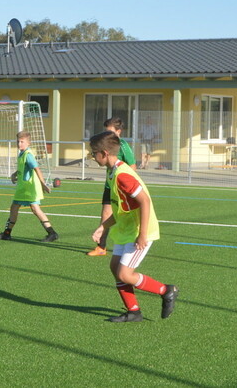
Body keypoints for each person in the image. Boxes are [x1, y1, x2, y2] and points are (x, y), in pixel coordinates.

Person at [88, 130, 179, 322]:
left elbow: (144, 201)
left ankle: (166, 290)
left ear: (104, 153)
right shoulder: (112, 171)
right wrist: (104, 226)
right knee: (115, 268)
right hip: (127, 228)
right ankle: (134, 311)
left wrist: (142, 235)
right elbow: (121, 208)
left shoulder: (122, 175)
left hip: (139, 230)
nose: (92, 157)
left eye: (93, 153)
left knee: (124, 273)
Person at [0, 131, 58, 242]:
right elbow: (23, 168)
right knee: (15, 207)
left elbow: (37, 169)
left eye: (22, 142)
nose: (19, 144)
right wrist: (15, 174)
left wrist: (43, 184)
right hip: (23, 188)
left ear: (28, 143)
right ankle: (6, 234)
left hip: (29, 188)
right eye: (18, 141)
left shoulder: (28, 155)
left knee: (35, 209)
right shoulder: (22, 154)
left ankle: (52, 233)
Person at [88, 117, 138, 257]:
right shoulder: (106, 145)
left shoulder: (123, 145)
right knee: (105, 213)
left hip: (121, 186)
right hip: (110, 184)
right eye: (106, 132)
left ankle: (133, 241)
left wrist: (125, 183)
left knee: (124, 215)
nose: (107, 135)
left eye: (110, 132)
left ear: (119, 131)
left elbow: (133, 166)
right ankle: (101, 246)